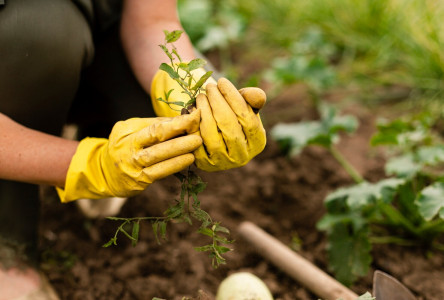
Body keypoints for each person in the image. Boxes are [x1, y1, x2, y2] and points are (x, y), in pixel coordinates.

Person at [0, 0, 266, 299]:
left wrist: (186, 97)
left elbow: (151, 19)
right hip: (23, 45)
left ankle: (81, 126)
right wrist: (87, 164)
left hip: (94, 33)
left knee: (179, 103)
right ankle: (8, 252)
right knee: (36, 32)